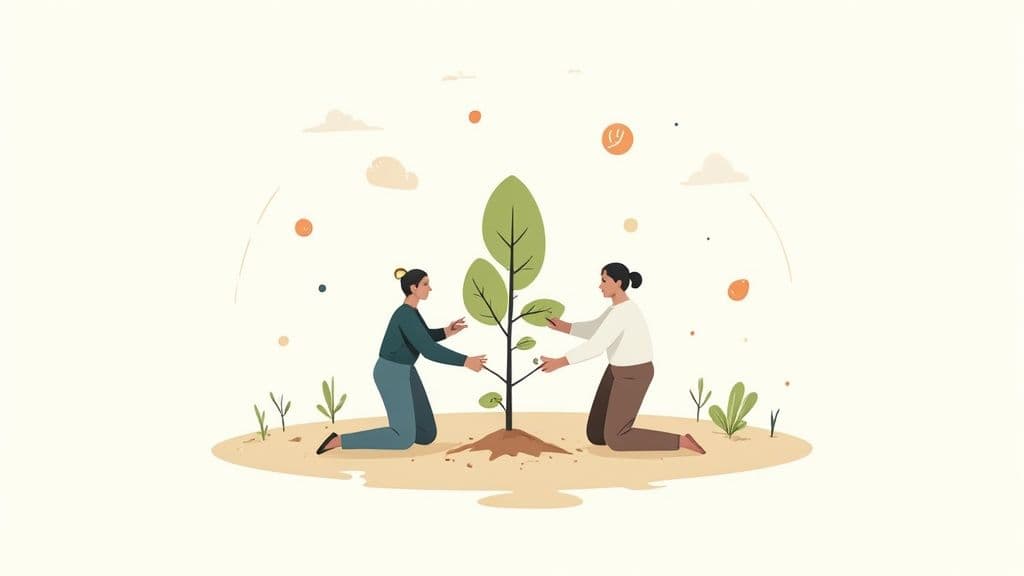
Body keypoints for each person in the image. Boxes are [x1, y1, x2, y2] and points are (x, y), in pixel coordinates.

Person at [540, 262, 706, 454]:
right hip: (615, 371)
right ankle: (620, 431)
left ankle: (680, 441)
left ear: (618, 283)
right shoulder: (615, 310)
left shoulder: (624, 312)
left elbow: (596, 346)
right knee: (596, 435)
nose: (600, 285)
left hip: (634, 375)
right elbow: (596, 329)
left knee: (617, 439)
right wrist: (564, 326)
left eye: (604, 280)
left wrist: (559, 362)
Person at [316, 268, 487, 453]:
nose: (430, 288)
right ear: (413, 288)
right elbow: (428, 350)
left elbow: (422, 336)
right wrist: (466, 361)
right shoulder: (405, 314)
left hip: (406, 370)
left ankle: (402, 429)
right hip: (391, 372)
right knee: (402, 439)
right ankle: (339, 441)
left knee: (426, 434)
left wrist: (446, 331)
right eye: (425, 284)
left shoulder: (411, 312)